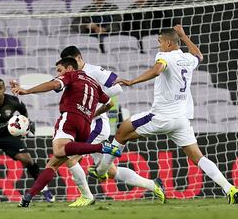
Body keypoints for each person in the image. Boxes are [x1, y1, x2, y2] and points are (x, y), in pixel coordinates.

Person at [90, 25, 238, 204]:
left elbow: (157, 70)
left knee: (122, 130)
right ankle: (228, 187)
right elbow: (199, 55)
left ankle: (100, 171)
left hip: (161, 117)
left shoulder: (164, 56)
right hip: (181, 120)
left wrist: (132, 81)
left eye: (160, 42)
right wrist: (184, 36)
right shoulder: (187, 58)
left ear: (168, 43)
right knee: (198, 157)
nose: (158, 45)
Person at [60, 46, 166, 207]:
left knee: (71, 157)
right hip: (86, 124)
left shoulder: (94, 71)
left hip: (96, 125)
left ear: (80, 58)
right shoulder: (72, 76)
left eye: (73, 62)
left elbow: (117, 88)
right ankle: (153, 184)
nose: (70, 66)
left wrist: (94, 97)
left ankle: (86, 196)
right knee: (110, 171)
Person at [11, 57, 121, 207]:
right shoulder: (94, 83)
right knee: (53, 163)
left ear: (69, 68)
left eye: (59, 70)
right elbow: (110, 103)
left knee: (58, 149)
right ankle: (27, 197)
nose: (58, 73)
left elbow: (54, 84)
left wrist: (27, 91)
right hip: (85, 125)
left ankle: (101, 147)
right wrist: (92, 115)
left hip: (70, 118)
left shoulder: (72, 75)